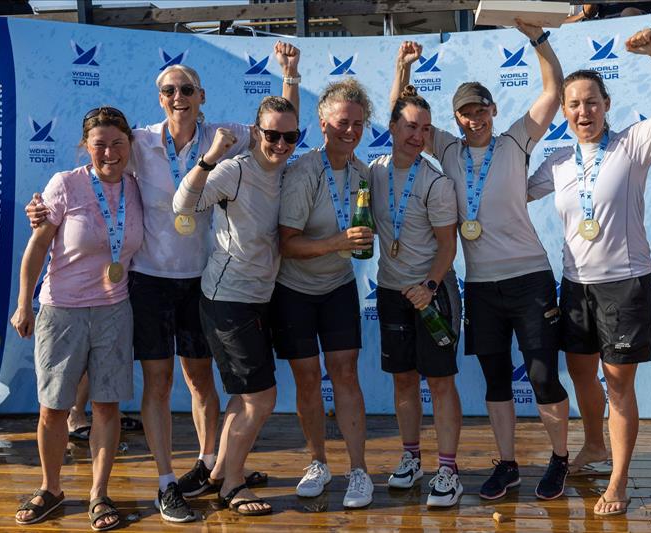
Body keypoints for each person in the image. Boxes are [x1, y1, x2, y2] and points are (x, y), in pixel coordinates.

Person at [25, 41, 300, 522]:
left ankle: (210, 464)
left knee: (200, 381)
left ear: (201, 96)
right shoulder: (138, 142)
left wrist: (289, 77)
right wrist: (42, 210)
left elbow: (279, 127)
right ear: (159, 98)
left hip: (201, 282)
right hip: (148, 282)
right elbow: (94, 170)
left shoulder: (225, 135)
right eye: (170, 89)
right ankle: (165, 481)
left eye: (187, 89)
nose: (179, 96)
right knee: (157, 382)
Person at [391, 20, 571, 503]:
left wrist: (538, 38)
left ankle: (559, 460)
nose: (475, 119)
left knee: (540, 375)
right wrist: (402, 67)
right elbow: (401, 120)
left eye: (481, 110)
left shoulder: (515, 140)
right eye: (465, 113)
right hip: (483, 286)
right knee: (496, 380)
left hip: (530, 277)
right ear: (457, 118)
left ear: (494, 110)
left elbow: (553, 89)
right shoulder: (445, 146)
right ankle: (508, 464)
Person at [528, 28, 651, 515]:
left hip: (624, 285)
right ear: (563, 111)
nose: (584, 112)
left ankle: (619, 479)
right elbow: (511, 193)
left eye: (592, 103)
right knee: (582, 373)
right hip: (574, 284)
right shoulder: (557, 162)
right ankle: (595, 445)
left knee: (618, 383)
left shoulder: (633, 143)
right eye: (574, 104)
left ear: (606, 104)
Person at [11, 107, 144, 531]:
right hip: (61, 311)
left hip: (114, 311)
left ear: (130, 146)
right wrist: (23, 303)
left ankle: (98, 494)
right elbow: (36, 247)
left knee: (107, 406)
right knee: (53, 408)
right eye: (99, 144)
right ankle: (51, 488)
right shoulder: (64, 184)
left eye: (117, 143)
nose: (109, 152)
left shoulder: (137, 188)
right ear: (85, 147)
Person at [173, 95, 300, 516]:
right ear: (256, 132)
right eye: (272, 135)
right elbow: (183, 206)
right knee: (261, 398)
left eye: (290, 136)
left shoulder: (286, 170)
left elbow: (284, 114)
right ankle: (232, 484)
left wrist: (291, 75)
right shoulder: (235, 170)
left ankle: (219, 472)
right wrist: (208, 159)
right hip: (228, 299)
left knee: (244, 396)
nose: (281, 144)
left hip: (259, 297)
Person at [273, 78, 375, 508]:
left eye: (357, 124)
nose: (349, 131)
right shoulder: (301, 172)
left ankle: (359, 470)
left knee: (346, 374)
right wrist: (336, 243)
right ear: (322, 123)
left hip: (338, 286)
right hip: (293, 289)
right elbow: (287, 244)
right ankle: (317, 461)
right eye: (341, 123)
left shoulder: (362, 172)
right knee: (308, 378)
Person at [370, 85, 462, 507]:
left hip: (432, 292)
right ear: (392, 127)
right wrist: (400, 73)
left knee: (441, 383)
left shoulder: (437, 182)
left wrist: (428, 288)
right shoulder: (374, 171)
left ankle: (448, 469)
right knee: (404, 380)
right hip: (391, 293)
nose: (418, 135)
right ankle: (411, 459)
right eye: (410, 126)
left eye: (425, 128)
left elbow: (448, 247)